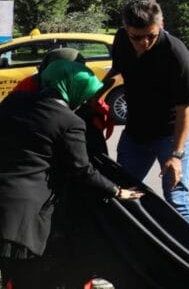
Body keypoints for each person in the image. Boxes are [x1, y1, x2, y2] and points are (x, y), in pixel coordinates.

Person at [0, 60, 142, 286]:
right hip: (25, 216)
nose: (85, 101)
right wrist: (116, 191)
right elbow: (82, 170)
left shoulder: (15, 101)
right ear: (73, 89)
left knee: (9, 276)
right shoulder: (69, 121)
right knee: (24, 279)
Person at [112, 0, 189, 226]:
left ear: (160, 24)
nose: (144, 42)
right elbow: (117, 71)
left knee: (176, 197)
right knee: (122, 190)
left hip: (172, 134)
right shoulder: (121, 39)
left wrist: (176, 155)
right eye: (137, 37)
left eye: (150, 35)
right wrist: (93, 95)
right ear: (126, 29)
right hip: (137, 132)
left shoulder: (175, 53)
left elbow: (186, 109)